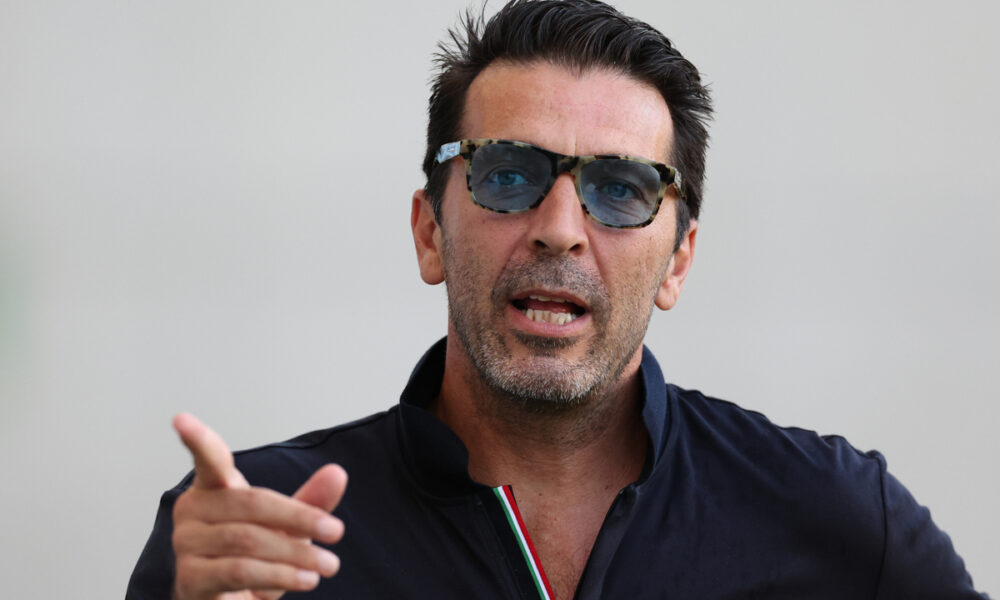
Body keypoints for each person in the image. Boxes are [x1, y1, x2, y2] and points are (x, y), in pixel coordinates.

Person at [127, 1, 988, 598]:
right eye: (509, 175)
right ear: (431, 232)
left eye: (620, 189)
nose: (561, 228)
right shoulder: (256, 535)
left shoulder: (830, 515)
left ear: (678, 261)